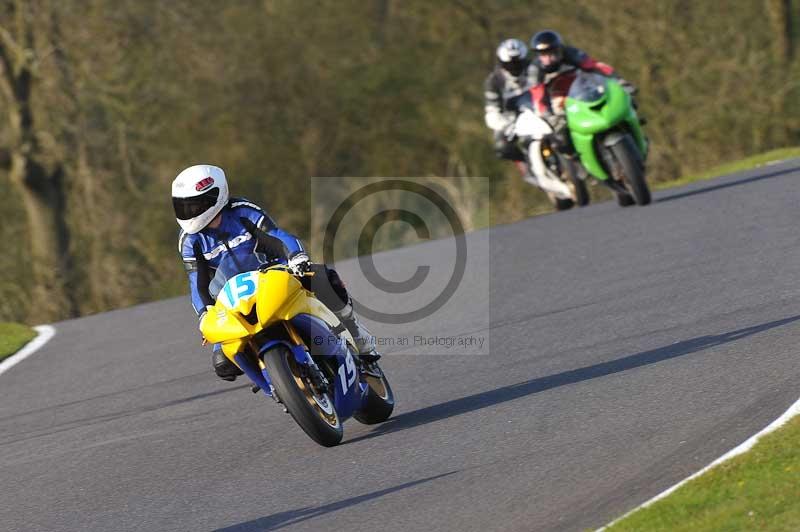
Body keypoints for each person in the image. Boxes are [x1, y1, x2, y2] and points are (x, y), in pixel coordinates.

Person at [172, 164, 379, 381]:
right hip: (233, 297)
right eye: (182, 206)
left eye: (194, 205)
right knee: (223, 364)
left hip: (274, 273)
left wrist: (297, 256)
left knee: (324, 279)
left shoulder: (242, 210)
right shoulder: (189, 239)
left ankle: (356, 334)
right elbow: (197, 281)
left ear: (215, 195)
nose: (189, 213)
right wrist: (204, 313)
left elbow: (277, 235)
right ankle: (274, 383)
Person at [527, 30, 635, 152]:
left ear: (560, 49)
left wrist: (619, 81)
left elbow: (596, 66)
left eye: (552, 52)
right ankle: (576, 162)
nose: (548, 58)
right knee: (562, 140)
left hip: (584, 93)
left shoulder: (572, 53)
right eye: (543, 54)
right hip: (558, 104)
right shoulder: (534, 71)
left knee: (624, 100)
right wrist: (551, 118)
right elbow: (538, 99)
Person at [483, 38, 533, 163]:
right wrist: (505, 125)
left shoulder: (535, 69)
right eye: (510, 64)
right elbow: (492, 110)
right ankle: (527, 164)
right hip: (510, 120)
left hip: (538, 110)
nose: (514, 67)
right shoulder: (494, 81)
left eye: (518, 63)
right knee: (503, 147)